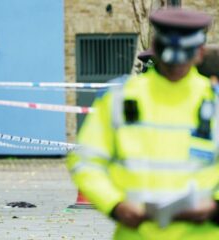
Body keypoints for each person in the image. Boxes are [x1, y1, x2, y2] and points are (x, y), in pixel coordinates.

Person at [67, 8, 219, 239]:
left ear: (199, 53)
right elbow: (86, 161)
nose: (176, 69)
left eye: (182, 59)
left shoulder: (214, 101)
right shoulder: (119, 99)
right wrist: (115, 205)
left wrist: (214, 208)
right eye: (171, 60)